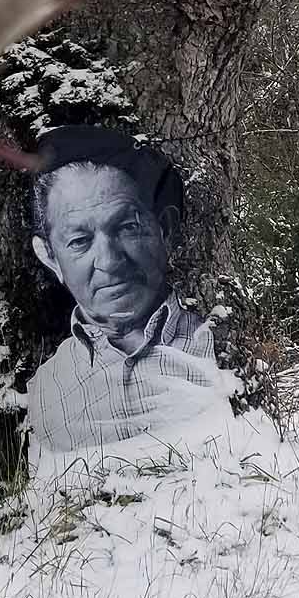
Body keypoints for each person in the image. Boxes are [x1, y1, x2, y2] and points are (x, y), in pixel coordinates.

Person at [26, 124, 230, 463]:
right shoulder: (46, 390)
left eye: (127, 227)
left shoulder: (219, 347)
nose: (109, 262)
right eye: (79, 242)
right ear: (50, 258)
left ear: (163, 229)